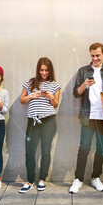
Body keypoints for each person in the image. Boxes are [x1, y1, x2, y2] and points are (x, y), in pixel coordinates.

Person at [69, 42, 103, 194]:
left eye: (98, 55)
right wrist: (85, 84)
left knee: (101, 149)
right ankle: (78, 179)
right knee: (84, 148)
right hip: (88, 116)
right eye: (92, 55)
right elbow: (76, 93)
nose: (95, 58)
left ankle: (95, 177)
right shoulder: (83, 71)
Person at [18, 57, 61, 193]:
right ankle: (30, 181)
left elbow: (55, 104)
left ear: (50, 71)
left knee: (45, 151)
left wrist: (50, 96)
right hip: (33, 121)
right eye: (42, 70)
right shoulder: (30, 83)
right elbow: (21, 100)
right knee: (30, 152)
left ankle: (42, 180)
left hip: (49, 120)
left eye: (47, 70)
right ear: (38, 70)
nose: (44, 73)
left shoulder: (55, 85)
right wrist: (32, 96)